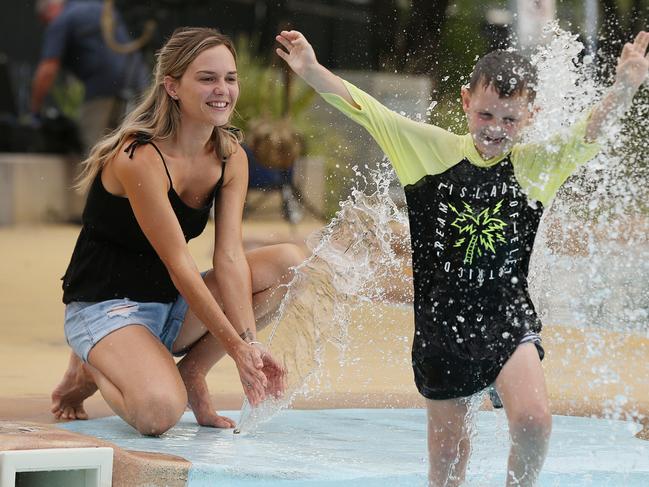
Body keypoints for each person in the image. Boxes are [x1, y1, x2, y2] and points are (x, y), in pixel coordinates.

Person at [275, 29, 649, 486]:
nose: (495, 128)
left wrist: (625, 87)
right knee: (448, 460)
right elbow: (368, 111)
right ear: (466, 100)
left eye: (510, 120)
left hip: (506, 317)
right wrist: (312, 71)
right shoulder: (430, 150)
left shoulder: (535, 166)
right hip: (440, 325)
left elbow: (588, 130)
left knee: (534, 422)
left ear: (532, 115)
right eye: (486, 113)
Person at [50, 26, 305, 436]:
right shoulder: (139, 156)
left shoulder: (229, 156)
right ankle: (91, 365)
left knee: (291, 263)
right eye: (207, 78)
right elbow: (179, 263)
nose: (222, 89)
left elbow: (229, 258)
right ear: (172, 86)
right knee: (158, 413)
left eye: (229, 78)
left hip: (171, 308)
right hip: (106, 306)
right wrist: (236, 349)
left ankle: (192, 374)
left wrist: (250, 344)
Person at [31, 0, 149, 152]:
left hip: (101, 90)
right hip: (137, 82)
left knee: (95, 153)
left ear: (48, 12)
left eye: (45, 22)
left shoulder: (61, 21)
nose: (47, 25)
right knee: (131, 151)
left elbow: (47, 70)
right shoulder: (98, 8)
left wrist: (35, 109)